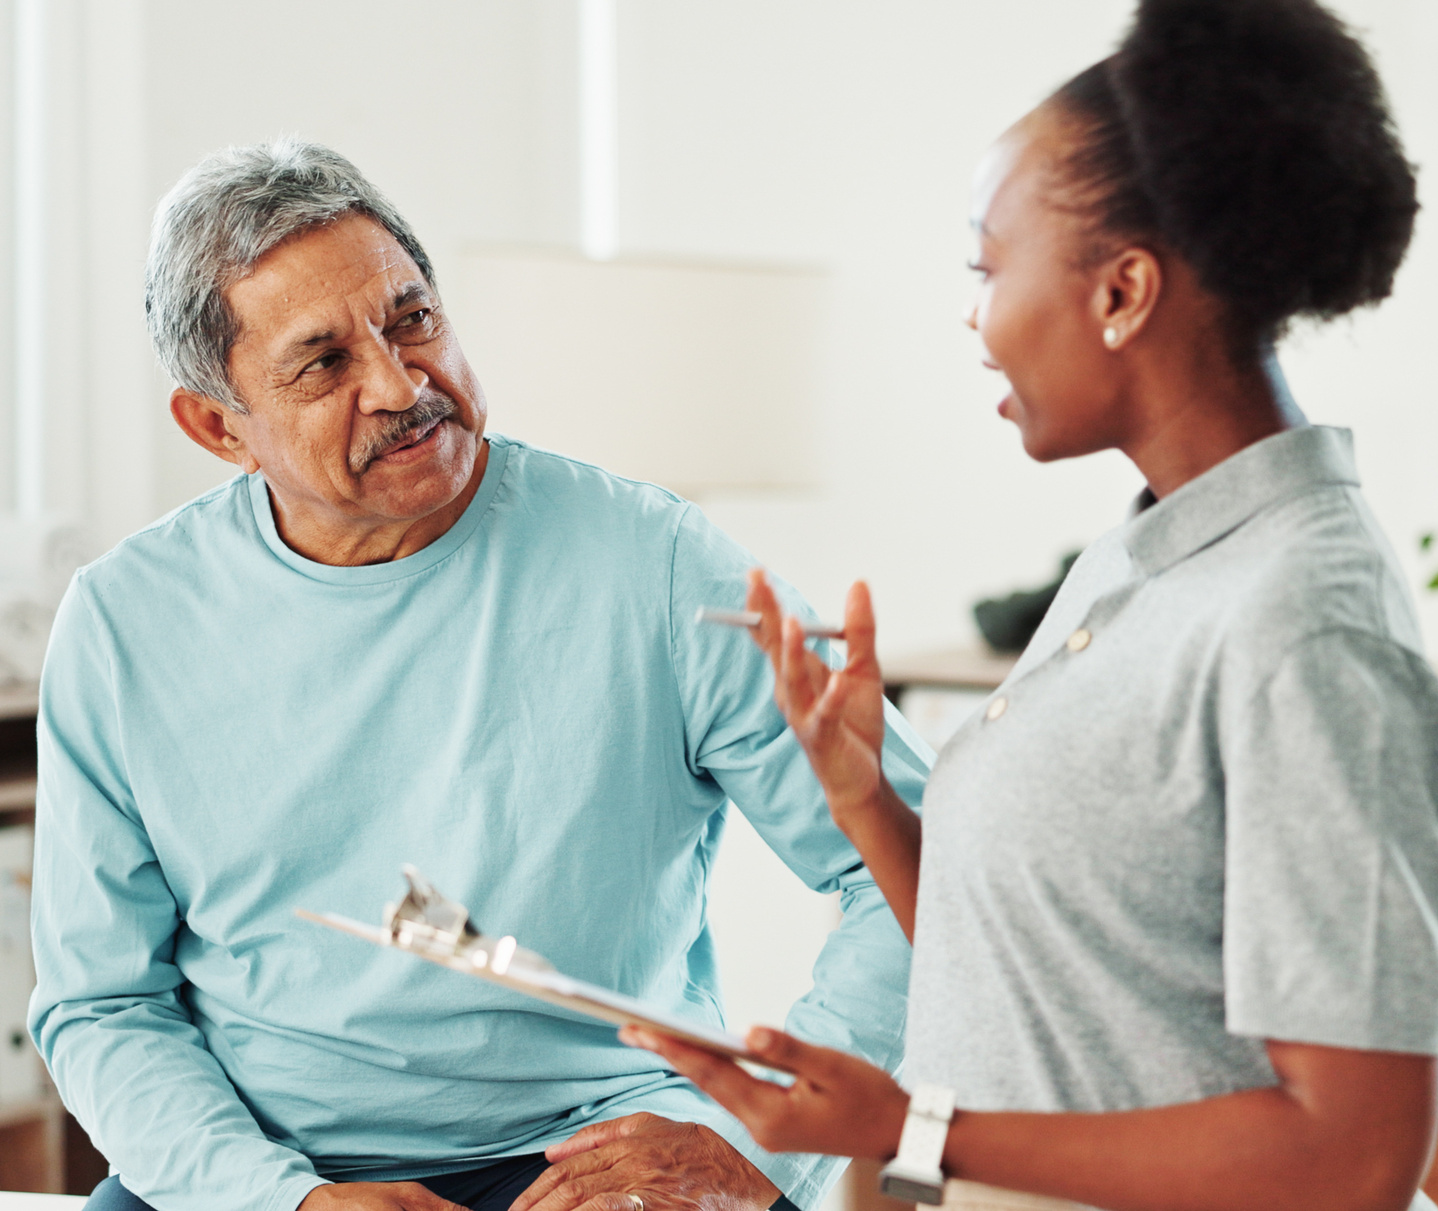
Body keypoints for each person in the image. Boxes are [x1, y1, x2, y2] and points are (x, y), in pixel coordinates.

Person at [622, 3, 1438, 1210]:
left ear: (1124, 290)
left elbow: (1348, 1158)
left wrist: (908, 1125)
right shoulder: (1147, 553)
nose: (973, 320)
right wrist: (863, 792)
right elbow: (1042, 978)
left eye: (986, 266)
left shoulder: (1306, 634)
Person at [26, 140, 932, 1211]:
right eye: (323, 363)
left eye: (412, 319)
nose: (403, 384)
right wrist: (278, 1199)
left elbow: (920, 884)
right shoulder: (122, 623)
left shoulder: (656, 559)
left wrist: (755, 1145)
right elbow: (100, 1001)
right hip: (272, 1164)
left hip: (600, 1154)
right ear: (219, 426)